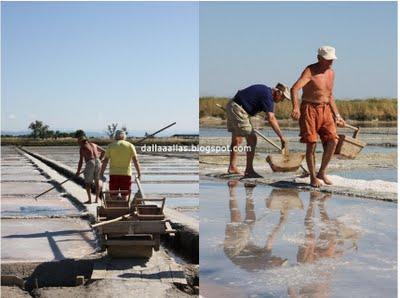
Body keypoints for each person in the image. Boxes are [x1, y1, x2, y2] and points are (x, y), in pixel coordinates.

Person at [290, 46, 345, 187]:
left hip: (325, 109)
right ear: (319, 58)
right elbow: (294, 89)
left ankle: (322, 172)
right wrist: (296, 107)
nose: (331, 62)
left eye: (332, 59)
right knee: (311, 144)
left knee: (333, 140)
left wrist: (337, 115)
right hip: (309, 110)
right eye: (328, 60)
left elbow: (330, 95)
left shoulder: (331, 73)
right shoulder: (310, 71)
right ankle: (313, 178)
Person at [226, 83, 291, 178]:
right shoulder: (268, 96)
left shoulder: (266, 92)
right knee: (252, 139)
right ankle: (249, 171)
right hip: (238, 109)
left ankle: (232, 167)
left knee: (237, 139)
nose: (282, 100)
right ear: (278, 92)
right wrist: (282, 137)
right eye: (283, 97)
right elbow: (271, 118)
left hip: (233, 105)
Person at [100, 130, 141, 199]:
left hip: (113, 174)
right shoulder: (130, 145)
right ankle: (124, 207)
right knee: (125, 195)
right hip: (126, 174)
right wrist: (139, 173)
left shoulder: (111, 146)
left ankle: (114, 208)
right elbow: (135, 160)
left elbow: (105, 161)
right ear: (124, 136)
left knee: (113, 195)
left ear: (116, 136)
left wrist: (101, 173)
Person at [75, 130, 105, 204]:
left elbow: (81, 161)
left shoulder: (82, 148)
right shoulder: (94, 144)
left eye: (78, 140)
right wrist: (100, 160)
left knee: (88, 183)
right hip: (98, 162)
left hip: (90, 163)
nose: (78, 142)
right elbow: (104, 151)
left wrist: (78, 171)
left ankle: (90, 200)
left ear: (81, 141)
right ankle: (97, 200)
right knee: (97, 181)